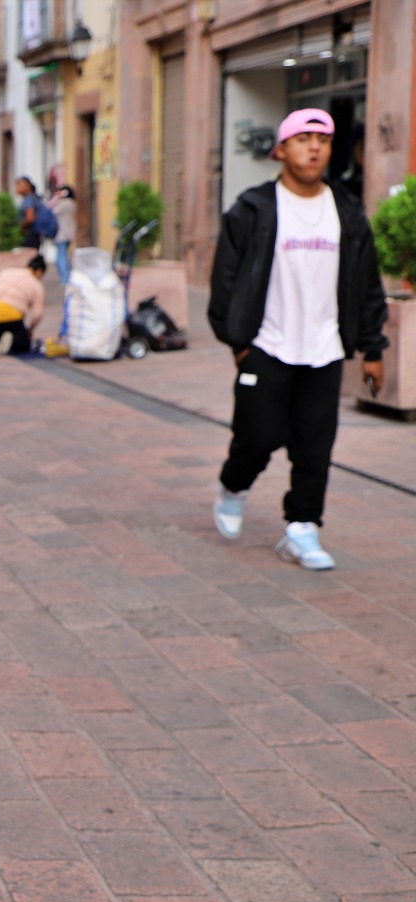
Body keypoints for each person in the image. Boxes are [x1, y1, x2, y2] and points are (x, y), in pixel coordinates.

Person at [209, 107, 387, 571]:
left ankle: (302, 528)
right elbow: (225, 281)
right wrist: (239, 344)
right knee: (257, 437)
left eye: (323, 140)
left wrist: (373, 348)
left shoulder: (346, 210)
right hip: (266, 346)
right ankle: (233, 486)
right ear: (282, 149)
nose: (314, 148)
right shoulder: (253, 209)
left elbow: (366, 283)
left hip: (324, 349)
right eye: (304, 139)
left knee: (314, 446)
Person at [0, 256, 46, 356]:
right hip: (10, 314)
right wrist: (29, 331)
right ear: (40, 271)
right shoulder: (36, 284)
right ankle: (12, 342)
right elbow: (37, 315)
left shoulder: (7, 272)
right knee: (23, 343)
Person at [50, 185, 77, 285]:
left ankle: (65, 276)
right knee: (63, 254)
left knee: (61, 256)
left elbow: (52, 212)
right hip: (68, 232)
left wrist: (56, 199)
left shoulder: (63, 204)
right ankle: (66, 276)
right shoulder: (72, 203)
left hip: (61, 233)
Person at [15, 176, 43, 249]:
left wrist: (20, 228)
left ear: (27, 186)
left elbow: (30, 218)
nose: (16, 188)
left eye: (19, 185)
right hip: (34, 234)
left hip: (30, 234)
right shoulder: (32, 198)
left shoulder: (29, 199)